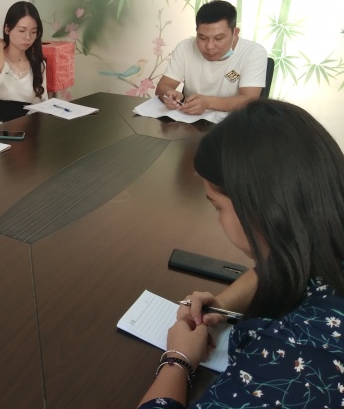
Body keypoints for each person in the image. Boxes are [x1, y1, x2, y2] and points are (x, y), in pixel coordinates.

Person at [138, 99, 344, 408]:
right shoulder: (325, 233)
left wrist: (178, 359)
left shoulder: (294, 361)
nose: (218, 219)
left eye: (217, 206)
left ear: (261, 210)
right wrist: (223, 305)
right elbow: (280, 262)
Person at [156, 0, 267, 115]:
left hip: (232, 121)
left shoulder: (253, 52)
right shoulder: (185, 47)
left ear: (235, 33)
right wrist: (169, 95)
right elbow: (162, 87)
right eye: (203, 38)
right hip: (190, 119)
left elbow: (249, 101)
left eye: (218, 38)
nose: (209, 46)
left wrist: (207, 103)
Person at [0, 1, 47, 126]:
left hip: (28, 128)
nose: (28, 37)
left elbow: (40, 104)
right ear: (7, 29)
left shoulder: (38, 64)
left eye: (33, 32)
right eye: (22, 31)